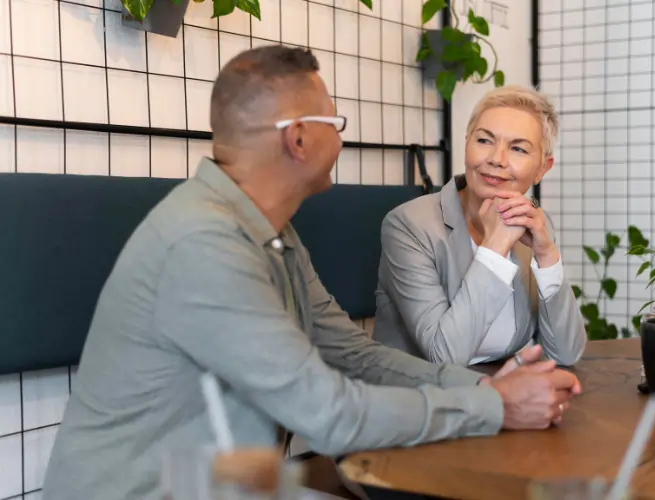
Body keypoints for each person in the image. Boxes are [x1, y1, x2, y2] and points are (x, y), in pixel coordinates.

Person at [43, 48, 581, 500]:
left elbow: (352, 353)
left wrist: (486, 387)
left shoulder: (271, 231)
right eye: (335, 123)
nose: (342, 139)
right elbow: (329, 414)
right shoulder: (203, 244)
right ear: (298, 139)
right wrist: (492, 402)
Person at [372, 85, 587, 367]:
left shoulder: (535, 224)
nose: (496, 159)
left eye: (518, 148)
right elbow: (444, 357)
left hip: (496, 390)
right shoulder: (409, 226)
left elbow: (566, 353)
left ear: (542, 168)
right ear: (467, 144)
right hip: (418, 397)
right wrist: (496, 245)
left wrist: (547, 256)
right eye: (484, 140)